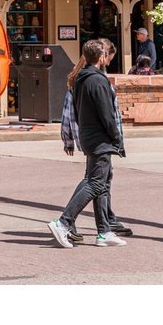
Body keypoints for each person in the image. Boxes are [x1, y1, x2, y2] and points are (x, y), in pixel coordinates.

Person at [48, 40, 126, 248]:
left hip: (88, 136)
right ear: (101, 57)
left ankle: (104, 231)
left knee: (100, 183)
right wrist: (116, 138)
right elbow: (107, 114)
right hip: (100, 139)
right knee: (95, 183)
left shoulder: (79, 79)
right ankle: (64, 222)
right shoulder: (97, 81)